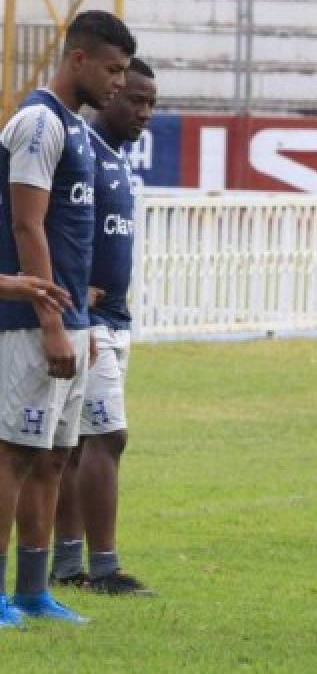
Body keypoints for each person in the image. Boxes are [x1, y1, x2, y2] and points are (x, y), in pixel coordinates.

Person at [0, 10, 136, 628]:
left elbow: (73, 235)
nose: (118, 82)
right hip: (32, 324)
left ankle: (32, 590)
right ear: (77, 59)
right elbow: (28, 223)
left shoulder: (78, 132)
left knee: (53, 456)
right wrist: (50, 320)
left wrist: (83, 325)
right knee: (12, 454)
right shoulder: (37, 123)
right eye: (112, 69)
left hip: (77, 321)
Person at [50, 57, 157, 595]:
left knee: (74, 442)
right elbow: (48, 223)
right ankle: (106, 568)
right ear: (109, 91)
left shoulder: (113, 156)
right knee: (106, 438)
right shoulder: (81, 151)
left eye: (151, 104)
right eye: (135, 98)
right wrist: (74, 293)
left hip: (113, 316)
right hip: (88, 319)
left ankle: (68, 566)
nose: (144, 112)